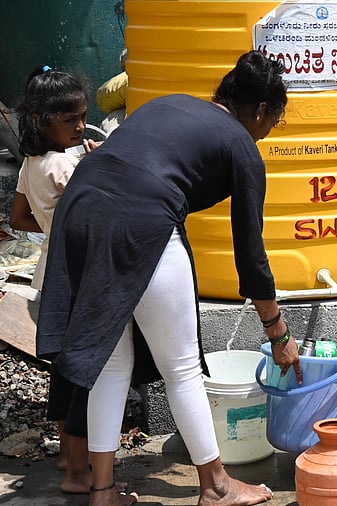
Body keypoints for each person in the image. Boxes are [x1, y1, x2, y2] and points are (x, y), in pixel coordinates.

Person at [36, 50, 300, 506]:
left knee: (111, 364)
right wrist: (277, 330)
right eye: (271, 123)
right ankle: (217, 486)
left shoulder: (168, 103)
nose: (265, 134)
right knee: (182, 368)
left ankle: (103, 493)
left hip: (80, 210)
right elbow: (251, 254)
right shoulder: (242, 145)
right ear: (260, 112)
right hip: (141, 221)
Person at [9, 65, 107, 496]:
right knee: (87, 373)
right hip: (79, 279)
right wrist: (98, 167)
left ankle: (70, 455)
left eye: (83, 116)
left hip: (49, 277)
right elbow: (97, 212)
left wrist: (51, 227)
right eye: (71, 120)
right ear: (41, 120)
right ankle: (76, 472)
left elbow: (17, 217)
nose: (82, 126)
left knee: (67, 372)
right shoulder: (66, 165)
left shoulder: (31, 163)